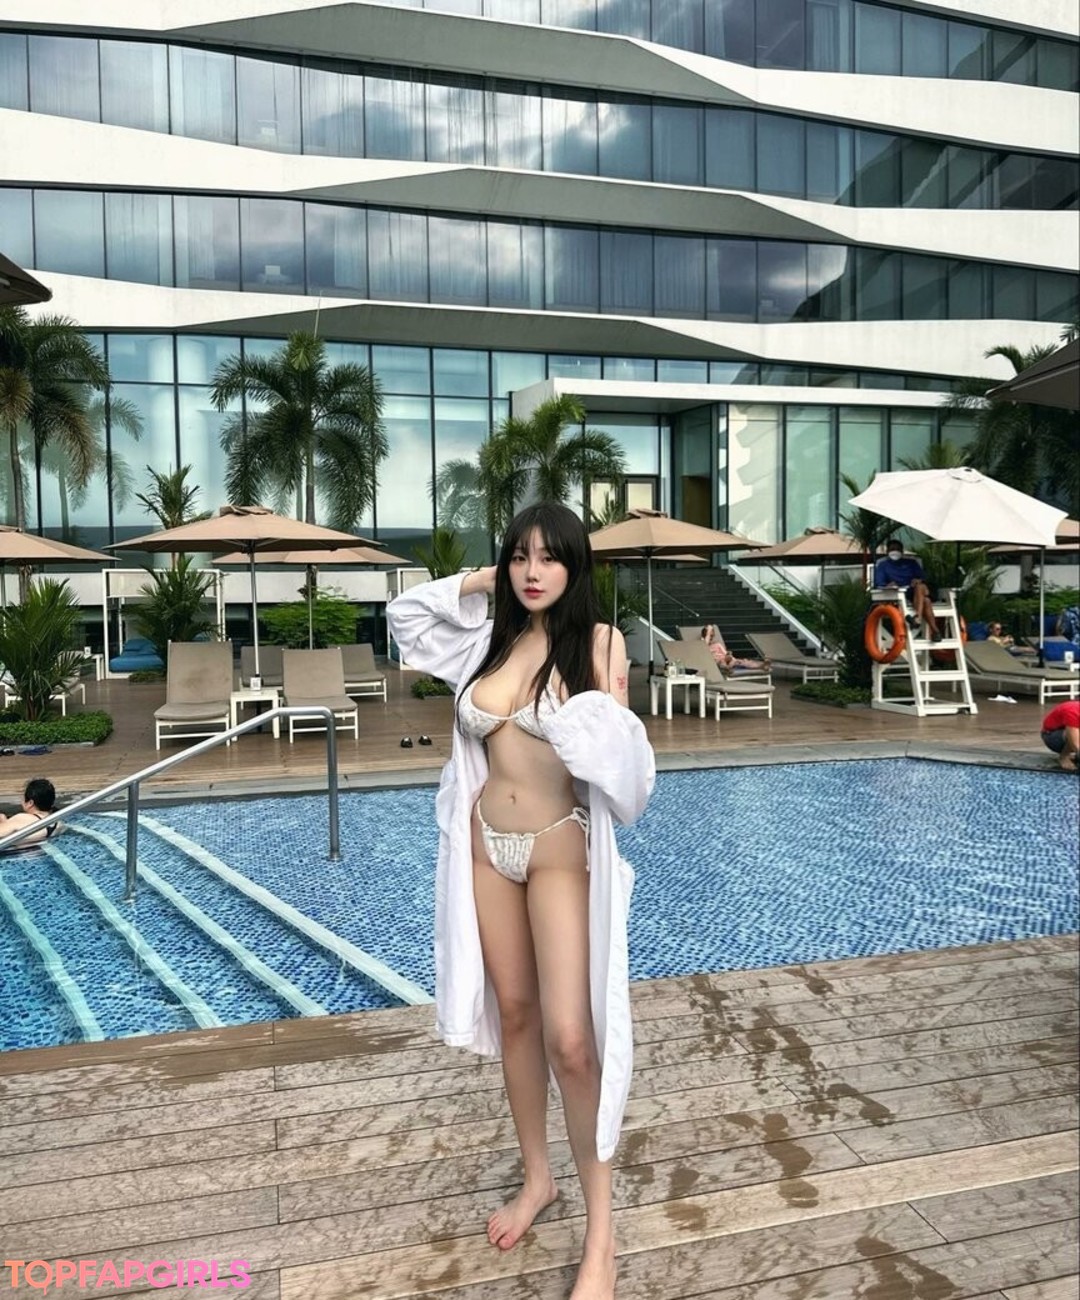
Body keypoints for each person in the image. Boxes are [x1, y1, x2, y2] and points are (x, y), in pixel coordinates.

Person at [387, 502, 654, 1299]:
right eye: (519, 557)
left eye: (550, 557)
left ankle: (602, 1236)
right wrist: (484, 582)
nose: (533, 572)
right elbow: (405, 616)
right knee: (515, 1017)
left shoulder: (599, 645)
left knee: (572, 1040)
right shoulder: (489, 640)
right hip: (485, 849)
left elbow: (632, 782)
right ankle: (539, 1179)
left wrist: (593, 724)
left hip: (557, 852)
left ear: (577, 566)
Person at [873, 538, 941, 640]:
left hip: (914, 591)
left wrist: (917, 580)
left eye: (897, 549)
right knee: (926, 601)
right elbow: (879, 583)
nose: (895, 551)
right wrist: (889, 585)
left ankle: (917, 619)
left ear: (902, 551)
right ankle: (935, 631)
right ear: (887, 552)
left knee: (920, 586)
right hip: (898, 594)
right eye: (892, 549)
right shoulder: (883, 565)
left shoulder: (911, 563)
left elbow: (923, 577)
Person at [0, 778, 60, 848]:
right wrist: (5, 821)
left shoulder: (21, 819)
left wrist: (2, 820)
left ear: (30, 803)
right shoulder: (58, 823)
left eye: (23, 798)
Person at [700, 624, 770, 672]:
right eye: (710, 636)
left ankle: (762, 665)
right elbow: (705, 645)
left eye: (712, 636)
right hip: (717, 662)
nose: (711, 638)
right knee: (722, 662)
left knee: (744, 661)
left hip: (727, 660)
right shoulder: (702, 645)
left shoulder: (717, 644)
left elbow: (725, 654)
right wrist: (709, 630)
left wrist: (731, 657)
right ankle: (726, 667)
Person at [1040, 699, 1079, 772]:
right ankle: (1064, 757)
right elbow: (1075, 742)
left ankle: (1076, 755)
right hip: (1052, 737)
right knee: (1076, 733)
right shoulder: (1073, 711)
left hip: (1068, 733)